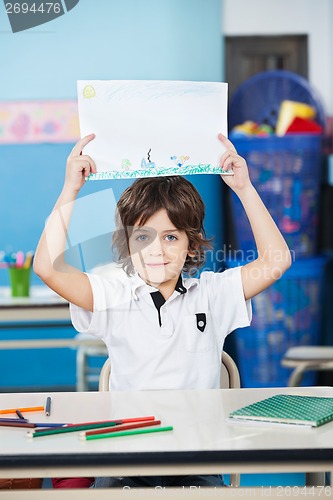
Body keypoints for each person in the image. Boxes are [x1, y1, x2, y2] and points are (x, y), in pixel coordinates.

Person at [34, 133, 291, 489]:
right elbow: (47, 267)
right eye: (143, 237)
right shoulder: (113, 296)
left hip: (196, 463)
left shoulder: (211, 295)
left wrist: (244, 189)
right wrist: (70, 190)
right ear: (127, 244)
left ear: (191, 243)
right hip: (126, 461)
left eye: (171, 237)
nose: (157, 250)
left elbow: (277, 260)